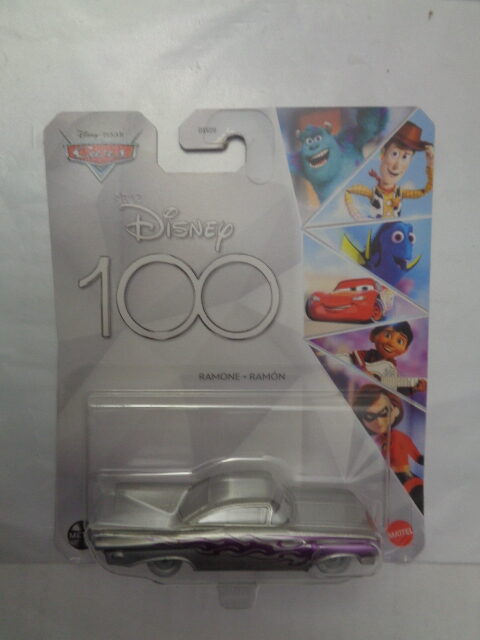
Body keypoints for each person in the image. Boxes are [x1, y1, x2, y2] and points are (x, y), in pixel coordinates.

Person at [352, 384, 424, 512]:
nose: (379, 422)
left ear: (395, 410)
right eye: (370, 416)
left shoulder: (399, 437)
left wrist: (423, 459)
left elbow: (414, 453)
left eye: (384, 412)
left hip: (405, 478)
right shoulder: (373, 441)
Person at [344, 121, 434, 220]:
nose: (397, 166)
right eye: (394, 154)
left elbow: (426, 190)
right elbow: (348, 191)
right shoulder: (372, 193)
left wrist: (430, 165)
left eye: (405, 157)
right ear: (383, 153)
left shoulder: (401, 193)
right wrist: (354, 212)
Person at [342, 321, 427, 395]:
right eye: (388, 335)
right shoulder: (367, 355)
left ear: (405, 350)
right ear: (373, 336)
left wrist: (413, 388)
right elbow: (352, 358)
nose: (392, 343)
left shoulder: (390, 368)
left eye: (399, 341)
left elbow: (396, 387)